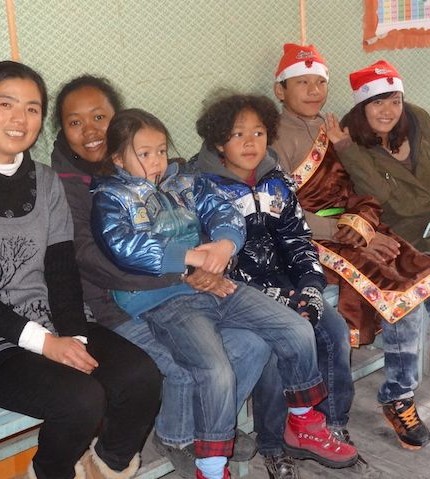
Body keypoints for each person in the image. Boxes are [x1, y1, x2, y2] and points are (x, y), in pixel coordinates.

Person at [90, 107, 358, 479]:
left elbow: (224, 212)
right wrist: (192, 257)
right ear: (118, 159)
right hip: (163, 300)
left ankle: (301, 420)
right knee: (215, 370)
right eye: (145, 153)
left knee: (295, 328)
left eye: (162, 150)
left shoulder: (185, 181)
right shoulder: (112, 196)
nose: (157, 161)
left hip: (215, 283)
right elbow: (123, 245)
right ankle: (212, 467)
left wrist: (224, 246)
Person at [51, 75, 267, 478]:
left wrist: (209, 261)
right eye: (75, 122)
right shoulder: (64, 186)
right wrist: (185, 272)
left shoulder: (153, 168)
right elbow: (91, 260)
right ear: (61, 129)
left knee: (252, 344)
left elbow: (191, 224)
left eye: (100, 117)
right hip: (111, 308)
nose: (91, 130)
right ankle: (178, 437)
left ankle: (211, 427)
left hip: (177, 291)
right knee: (183, 367)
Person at [0, 61, 162, 479]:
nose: (20, 119)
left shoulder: (46, 181)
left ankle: (104, 466)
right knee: (82, 400)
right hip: (6, 342)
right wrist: (46, 344)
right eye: (5, 104)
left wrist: (73, 336)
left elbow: (61, 270)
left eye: (32, 108)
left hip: (50, 321)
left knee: (140, 377)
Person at [271, 42, 430, 451]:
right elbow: (280, 210)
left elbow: (357, 190)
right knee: (394, 289)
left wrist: (366, 226)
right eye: (302, 83)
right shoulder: (274, 139)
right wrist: (350, 232)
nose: (313, 91)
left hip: (355, 228)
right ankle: (393, 397)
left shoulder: (332, 128)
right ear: (280, 90)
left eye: (319, 82)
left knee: (411, 273)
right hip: (309, 240)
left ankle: (399, 394)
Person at [192, 92, 357, 478]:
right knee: (273, 348)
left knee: (334, 330)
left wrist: (310, 287)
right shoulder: (202, 188)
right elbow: (218, 266)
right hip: (239, 294)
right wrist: (280, 297)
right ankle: (272, 442)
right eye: (238, 134)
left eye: (259, 132)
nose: (251, 143)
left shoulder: (276, 180)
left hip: (288, 284)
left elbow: (298, 239)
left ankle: (326, 422)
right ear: (219, 141)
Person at [332, 60, 430, 254]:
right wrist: (347, 150)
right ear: (362, 107)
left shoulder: (418, 122)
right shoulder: (351, 144)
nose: (388, 111)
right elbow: (378, 196)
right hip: (403, 240)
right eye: (378, 102)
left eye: (395, 102)